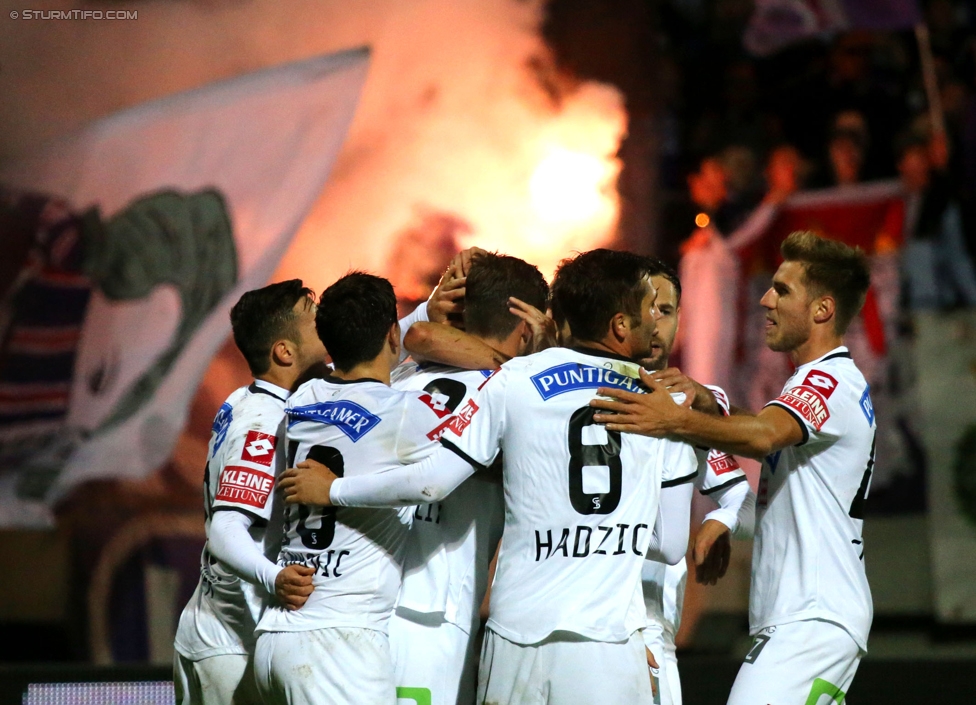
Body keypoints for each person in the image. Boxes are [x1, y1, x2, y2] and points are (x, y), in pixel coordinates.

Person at [284, 249, 699, 705]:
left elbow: (410, 345)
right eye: (649, 309)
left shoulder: (399, 379)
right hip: (447, 616)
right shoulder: (667, 407)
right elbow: (669, 542)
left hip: (361, 608)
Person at [591, 231, 875, 704]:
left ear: (822, 310)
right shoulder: (821, 380)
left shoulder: (829, 380)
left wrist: (675, 421)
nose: (765, 299)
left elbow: (763, 436)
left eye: (783, 290)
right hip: (808, 615)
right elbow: (766, 427)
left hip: (813, 618)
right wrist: (712, 402)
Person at [252, 272, 454, 705]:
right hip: (339, 644)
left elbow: (363, 379)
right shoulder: (408, 412)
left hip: (275, 638)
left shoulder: (302, 400)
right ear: (393, 336)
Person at [389, 252, 550, 705]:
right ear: (525, 328)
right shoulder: (514, 396)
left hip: (360, 605)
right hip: (433, 615)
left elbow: (414, 334)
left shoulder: (397, 373)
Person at [173, 280, 325, 705]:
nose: (326, 324)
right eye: (315, 320)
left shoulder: (249, 397)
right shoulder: (263, 423)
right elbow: (225, 527)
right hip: (232, 642)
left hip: (214, 631)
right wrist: (273, 577)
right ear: (285, 352)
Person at [635, 259, 756, 705]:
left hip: (651, 629)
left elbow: (743, 500)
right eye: (644, 308)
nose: (654, 323)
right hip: (577, 622)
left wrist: (720, 520)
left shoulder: (690, 404)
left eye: (665, 310)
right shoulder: (576, 391)